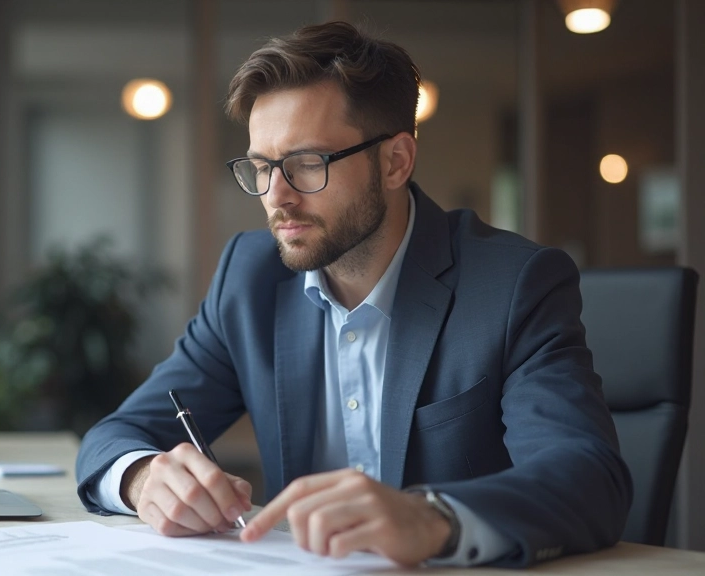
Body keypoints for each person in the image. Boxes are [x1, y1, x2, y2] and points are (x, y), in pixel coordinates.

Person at [75, 21, 631, 568]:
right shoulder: (250, 278)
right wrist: (144, 476)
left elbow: (589, 478)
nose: (277, 197)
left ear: (395, 161)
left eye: (306, 164)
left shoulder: (514, 284)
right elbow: (116, 435)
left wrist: (432, 518)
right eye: (262, 168)